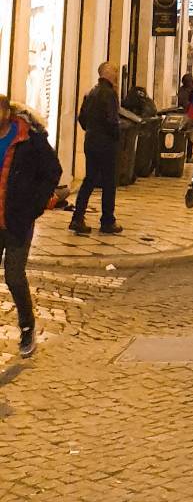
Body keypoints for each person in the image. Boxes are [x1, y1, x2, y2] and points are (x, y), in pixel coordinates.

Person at [0, 95, 61, 357]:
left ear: (6, 112)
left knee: (14, 276)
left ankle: (27, 326)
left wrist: (34, 205)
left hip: (17, 219)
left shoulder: (29, 138)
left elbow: (52, 171)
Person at [70, 62, 122, 236]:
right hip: (106, 144)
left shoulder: (90, 93)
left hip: (91, 141)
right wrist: (116, 136)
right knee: (109, 182)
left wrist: (91, 130)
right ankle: (107, 220)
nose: (116, 74)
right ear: (107, 74)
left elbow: (82, 118)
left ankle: (77, 217)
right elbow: (112, 120)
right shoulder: (110, 94)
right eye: (114, 71)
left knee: (89, 179)